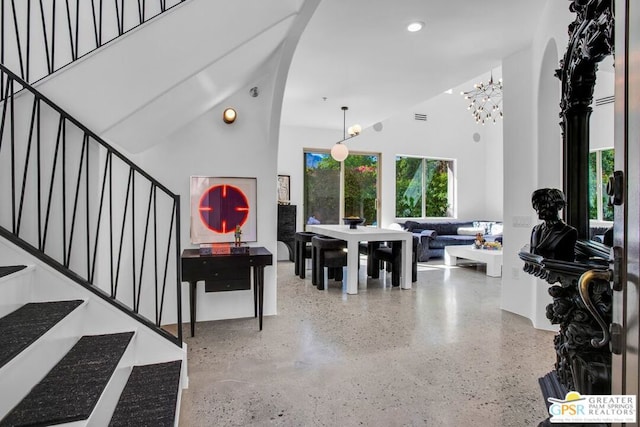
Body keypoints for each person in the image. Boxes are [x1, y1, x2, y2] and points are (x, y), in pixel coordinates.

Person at [530, 188, 578, 262]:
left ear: (557, 206)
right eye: (537, 205)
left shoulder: (568, 232)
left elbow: (567, 261)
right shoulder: (535, 230)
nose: (539, 209)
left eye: (544, 205)